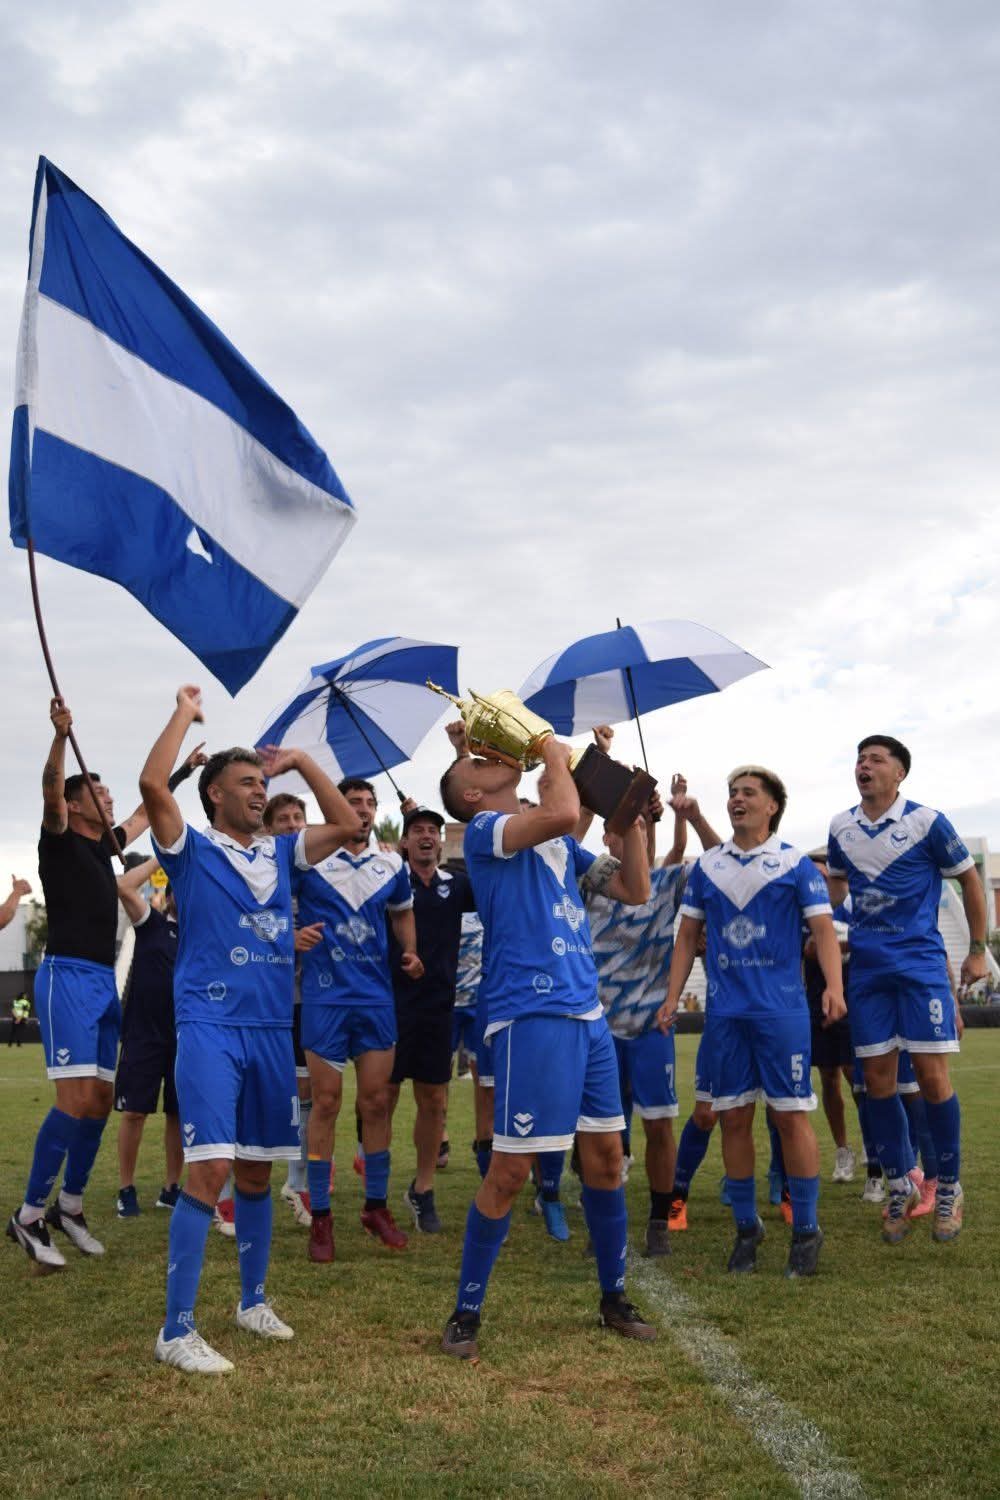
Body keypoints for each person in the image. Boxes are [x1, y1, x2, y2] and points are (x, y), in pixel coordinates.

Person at [141, 684, 361, 1375]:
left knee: (258, 1173)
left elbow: (347, 825)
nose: (259, 792)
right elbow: (152, 782)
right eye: (246, 783)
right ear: (214, 796)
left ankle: (252, 1300)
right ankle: (175, 1330)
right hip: (209, 1026)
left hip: (272, 1030)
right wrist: (184, 710)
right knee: (208, 1170)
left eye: (263, 783)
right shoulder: (191, 849)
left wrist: (300, 760)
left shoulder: (282, 855)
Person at [437, 732, 656, 1360]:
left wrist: (630, 819)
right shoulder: (484, 831)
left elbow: (635, 889)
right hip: (529, 1013)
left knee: (608, 1161)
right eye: (476, 762)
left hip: (585, 1012)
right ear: (473, 793)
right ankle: (465, 1313)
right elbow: (560, 808)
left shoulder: (559, 844)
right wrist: (554, 753)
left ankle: (614, 1297)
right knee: (510, 1170)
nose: (492, 757)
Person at [659, 766, 845, 1277]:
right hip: (725, 1016)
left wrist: (833, 986)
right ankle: (747, 1229)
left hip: (781, 1014)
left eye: (748, 793)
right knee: (733, 1119)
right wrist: (672, 996)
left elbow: (824, 931)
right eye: (732, 793)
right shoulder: (707, 868)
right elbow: (685, 938)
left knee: (790, 1117)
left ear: (771, 807)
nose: (737, 800)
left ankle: (805, 1230)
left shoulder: (796, 865)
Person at [7, 698, 151, 1272]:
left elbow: (143, 817)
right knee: (72, 1100)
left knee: (98, 1101)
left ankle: (70, 1206)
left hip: (101, 984)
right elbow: (48, 791)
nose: (108, 796)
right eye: (98, 790)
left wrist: (185, 770)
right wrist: (60, 737)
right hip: (65, 976)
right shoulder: (60, 836)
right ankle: (28, 1215)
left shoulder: (102, 846)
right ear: (74, 804)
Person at [826, 735, 985, 1244]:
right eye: (860, 759)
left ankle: (950, 1188)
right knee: (876, 1082)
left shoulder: (927, 822)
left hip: (919, 966)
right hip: (868, 971)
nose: (864, 766)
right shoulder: (840, 827)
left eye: (876, 760)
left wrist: (978, 948)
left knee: (933, 1078)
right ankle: (900, 1183)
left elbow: (972, 882)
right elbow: (833, 892)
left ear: (899, 774)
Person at [583, 745, 723, 1258]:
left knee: (660, 1125)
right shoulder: (588, 879)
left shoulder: (667, 884)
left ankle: (660, 1219)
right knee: (600, 1135)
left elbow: (720, 860)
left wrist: (692, 814)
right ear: (607, 835)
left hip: (650, 1026)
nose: (635, 830)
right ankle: (604, 1217)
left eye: (643, 822)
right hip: (595, 1029)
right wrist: (597, 764)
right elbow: (562, 841)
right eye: (627, 823)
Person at [296, 778, 424, 1263]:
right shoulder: (309, 861)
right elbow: (269, 906)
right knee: (326, 1103)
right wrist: (290, 935)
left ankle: (375, 1207)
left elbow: (402, 914)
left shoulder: (392, 863)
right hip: (325, 1000)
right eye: (354, 803)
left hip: (375, 999)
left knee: (375, 1102)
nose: (364, 810)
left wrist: (410, 951)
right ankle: (322, 1217)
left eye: (370, 803)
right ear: (335, 810)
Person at [387, 805, 476, 1234]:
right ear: (404, 842)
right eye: (417, 830)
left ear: (442, 843)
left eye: (433, 831)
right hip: (389, 1006)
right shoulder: (389, 881)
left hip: (438, 1007)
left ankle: (423, 1190)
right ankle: (373, 1194)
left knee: (433, 1103)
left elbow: (490, 863)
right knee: (379, 1101)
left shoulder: (457, 886)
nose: (426, 836)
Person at [263, 793, 325, 1228]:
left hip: (307, 1001)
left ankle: (295, 1182)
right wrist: (288, 939)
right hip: (263, 1002)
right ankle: (225, 1195)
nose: (291, 824)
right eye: (282, 819)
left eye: (297, 817)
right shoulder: (260, 873)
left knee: (309, 1096)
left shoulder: (318, 873)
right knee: (258, 1093)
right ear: (269, 828)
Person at [114, 856, 185, 1216]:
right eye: (179, 892)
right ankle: (126, 1188)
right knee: (135, 1113)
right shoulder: (151, 924)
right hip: (143, 1035)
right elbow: (124, 886)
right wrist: (162, 856)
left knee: (178, 1114)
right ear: (169, 896)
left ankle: (172, 1187)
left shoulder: (201, 938)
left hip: (185, 1039)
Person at [802, 863, 856, 1183]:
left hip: (852, 1001)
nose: (821, 882)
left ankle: (875, 1149)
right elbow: (807, 950)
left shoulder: (852, 910)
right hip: (816, 1002)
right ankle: (843, 1150)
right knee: (829, 1078)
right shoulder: (803, 913)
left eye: (826, 877)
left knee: (859, 1079)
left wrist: (833, 944)